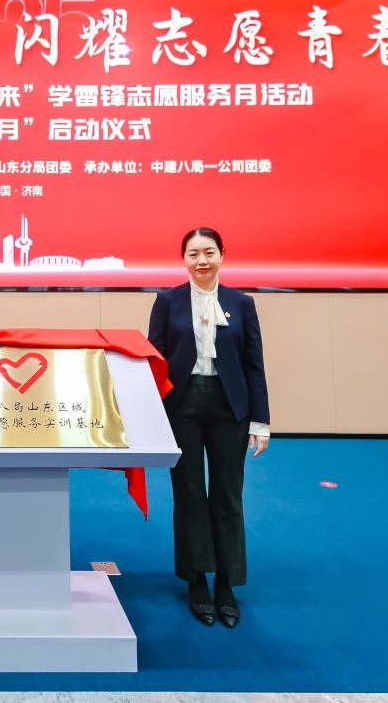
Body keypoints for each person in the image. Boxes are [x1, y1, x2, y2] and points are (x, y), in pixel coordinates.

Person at [147, 226, 270, 628]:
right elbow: (156, 360)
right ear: (183, 259)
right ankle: (197, 579)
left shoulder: (242, 303)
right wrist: (152, 414)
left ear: (222, 255)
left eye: (209, 252)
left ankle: (227, 584)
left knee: (228, 494)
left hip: (230, 406)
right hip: (182, 405)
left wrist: (261, 420)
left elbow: (254, 364)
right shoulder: (167, 302)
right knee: (188, 493)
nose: (201, 261)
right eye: (193, 254)